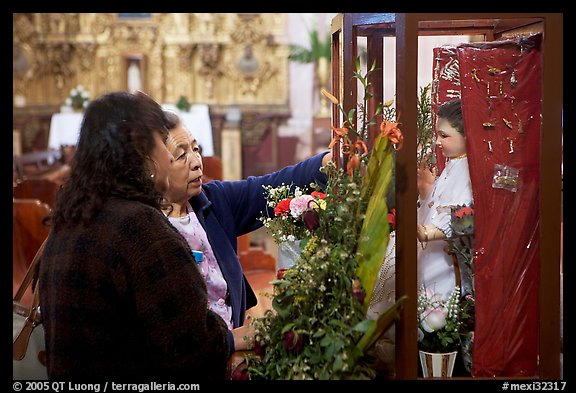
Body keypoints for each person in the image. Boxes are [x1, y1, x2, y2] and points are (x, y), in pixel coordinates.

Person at [37, 91, 243, 380]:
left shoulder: (71, 221)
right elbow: (193, 350)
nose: (169, 154)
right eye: (162, 141)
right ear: (140, 152)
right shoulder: (142, 229)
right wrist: (233, 338)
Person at [161, 110, 332, 332]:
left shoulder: (214, 200)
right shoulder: (147, 225)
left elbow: (271, 187)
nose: (196, 162)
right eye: (181, 155)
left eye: (195, 149)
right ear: (155, 166)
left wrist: (326, 163)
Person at [367, 98, 472, 375]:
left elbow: (464, 217)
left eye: (445, 136)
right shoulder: (452, 165)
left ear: (467, 135)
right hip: (427, 249)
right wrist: (427, 190)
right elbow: (436, 204)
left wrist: (426, 232)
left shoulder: (469, 171)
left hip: (445, 260)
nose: (438, 141)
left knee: (419, 294)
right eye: (437, 134)